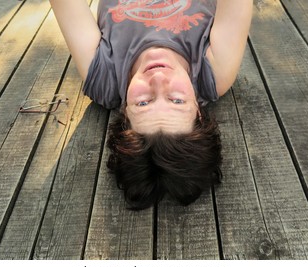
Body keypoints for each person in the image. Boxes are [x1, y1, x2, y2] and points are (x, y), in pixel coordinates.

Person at [49, 0, 253, 210]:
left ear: (125, 115)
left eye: (144, 102)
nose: (158, 79)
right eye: (176, 100)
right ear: (199, 112)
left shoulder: (105, 78)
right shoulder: (214, 72)